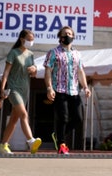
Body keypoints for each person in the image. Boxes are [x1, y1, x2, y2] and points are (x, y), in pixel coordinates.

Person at [44, 26, 91, 155]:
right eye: (65, 34)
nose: (67, 36)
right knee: (63, 118)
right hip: (59, 89)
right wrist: (49, 88)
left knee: (78, 118)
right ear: (60, 37)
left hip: (74, 90)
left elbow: (80, 72)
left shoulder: (77, 54)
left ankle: (59, 135)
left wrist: (85, 87)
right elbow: (48, 71)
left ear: (73, 37)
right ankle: (62, 144)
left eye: (70, 34)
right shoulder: (53, 52)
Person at [0, 29, 43, 155]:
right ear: (22, 39)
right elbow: (6, 72)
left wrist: (34, 69)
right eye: (29, 39)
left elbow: (33, 74)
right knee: (24, 114)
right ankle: (31, 141)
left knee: (13, 120)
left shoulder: (30, 54)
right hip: (13, 88)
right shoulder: (14, 53)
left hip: (25, 89)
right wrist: (2, 88)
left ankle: (3, 145)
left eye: (32, 40)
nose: (30, 42)